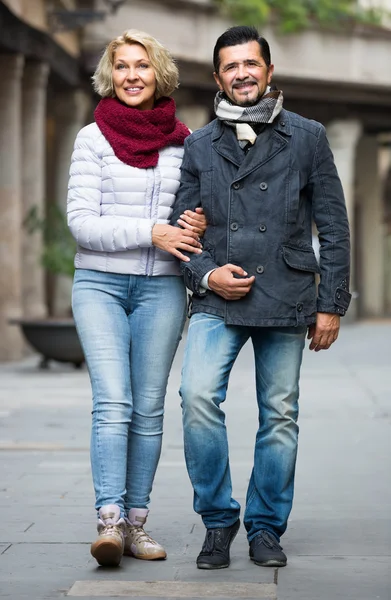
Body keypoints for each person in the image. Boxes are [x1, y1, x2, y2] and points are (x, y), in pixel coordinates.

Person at [170, 25, 351, 570]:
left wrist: (332, 303)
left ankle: (266, 526)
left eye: (251, 63)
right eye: (231, 66)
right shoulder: (199, 145)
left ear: (269, 71)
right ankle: (219, 521)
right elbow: (181, 230)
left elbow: (334, 226)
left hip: (288, 293)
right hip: (217, 298)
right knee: (197, 398)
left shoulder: (308, 136)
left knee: (279, 414)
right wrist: (206, 276)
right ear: (218, 77)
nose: (242, 73)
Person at [67, 29, 207, 568]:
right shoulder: (91, 139)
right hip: (100, 284)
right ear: (110, 75)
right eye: (121, 66)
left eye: (141, 66)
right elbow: (82, 223)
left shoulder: (186, 141)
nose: (131, 76)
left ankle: (135, 524)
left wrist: (195, 220)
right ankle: (107, 521)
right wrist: (153, 230)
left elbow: (193, 212)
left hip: (162, 289)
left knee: (149, 408)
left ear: (159, 74)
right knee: (114, 402)